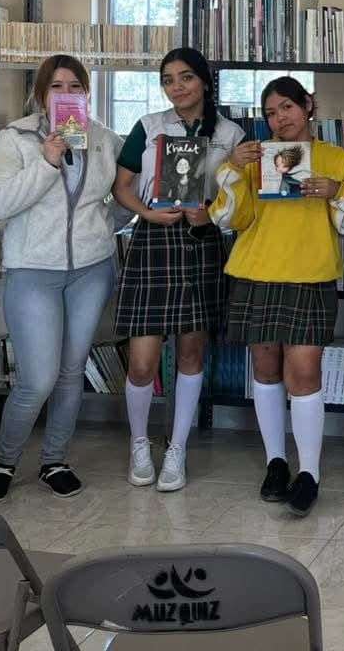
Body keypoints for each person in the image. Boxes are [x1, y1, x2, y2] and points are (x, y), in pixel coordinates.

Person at [211, 77, 344, 516]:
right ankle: (275, 463)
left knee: (304, 372)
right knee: (265, 371)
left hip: (310, 275)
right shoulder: (254, 158)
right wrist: (231, 167)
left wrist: (335, 193)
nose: (279, 119)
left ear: (308, 106)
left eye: (287, 107)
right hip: (256, 272)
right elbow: (228, 219)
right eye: (270, 113)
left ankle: (310, 473)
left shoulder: (338, 160)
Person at [0, 55, 123, 502]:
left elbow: (121, 201)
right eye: (56, 86)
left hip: (90, 271)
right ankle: (4, 460)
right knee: (37, 379)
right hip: (33, 271)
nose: (67, 94)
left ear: (87, 93)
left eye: (76, 86)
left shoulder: (105, 140)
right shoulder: (16, 138)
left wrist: (101, 231)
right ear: (41, 94)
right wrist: (46, 161)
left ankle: (54, 460)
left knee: (70, 371)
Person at [111, 48, 242, 493]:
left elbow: (238, 198)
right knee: (142, 361)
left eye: (186, 77)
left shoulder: (230, 134)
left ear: (204, 81)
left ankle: (177, 448)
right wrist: (146, 213)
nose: (177, 87)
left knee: (191, 353)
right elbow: (122, 186)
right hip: (154, 239)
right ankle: (139, 442)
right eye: (168, 80)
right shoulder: (149, 126)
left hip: (203, 243)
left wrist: (211, 213)